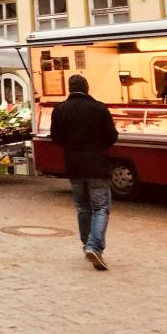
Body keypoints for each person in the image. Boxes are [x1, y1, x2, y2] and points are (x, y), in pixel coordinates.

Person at [51, 75, 119, 271]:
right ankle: (95, 246)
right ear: (87, 87)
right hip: (97, 165)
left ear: (69, 88)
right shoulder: (99, 108)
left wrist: (71, 147)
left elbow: (56, 137)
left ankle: (87, 244)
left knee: (82, 207)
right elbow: (111, 136)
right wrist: (99, 147)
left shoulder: (60, 110)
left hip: (73, 166)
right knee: (101, 208)